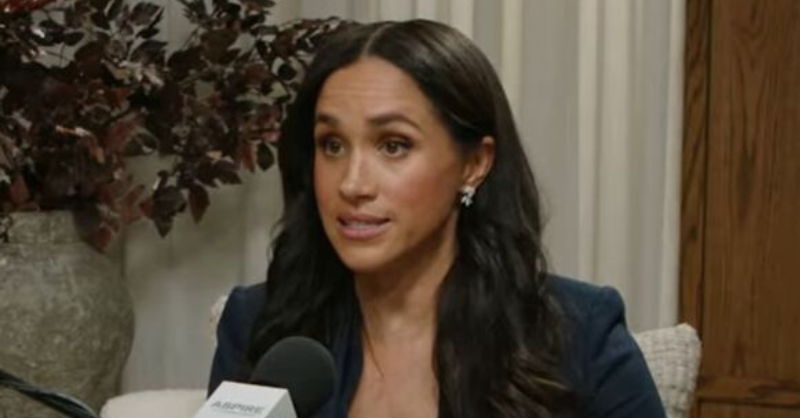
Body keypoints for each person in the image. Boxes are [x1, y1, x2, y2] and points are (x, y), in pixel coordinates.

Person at [208, 19, 665, 418]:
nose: (352, 183)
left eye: (393, 146)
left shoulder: (578, 334)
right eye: (332, 145)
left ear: (475, 164)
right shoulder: (260, 326)